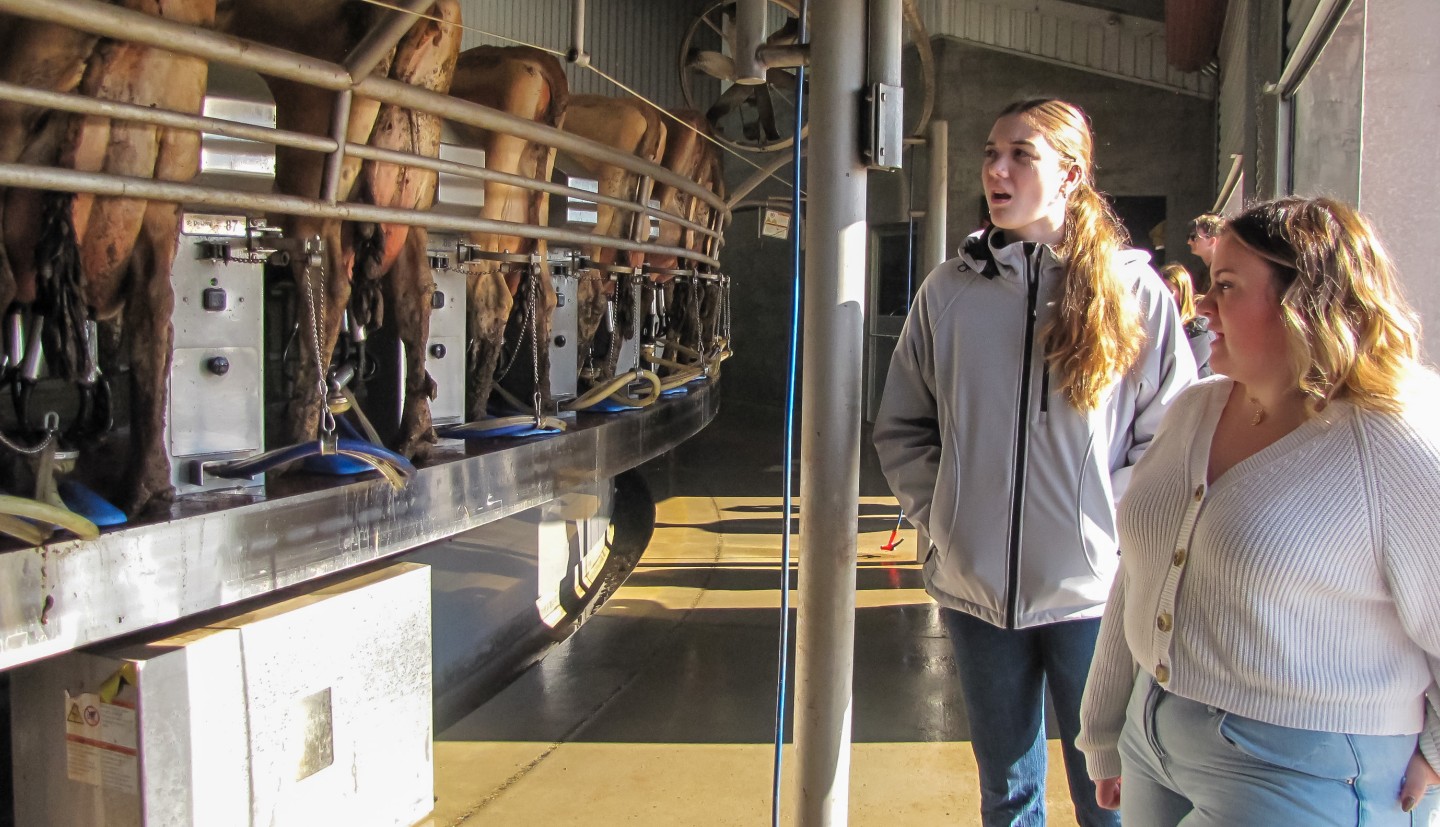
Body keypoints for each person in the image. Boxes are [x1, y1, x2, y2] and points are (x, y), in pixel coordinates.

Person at [874, 98, 1197, 827]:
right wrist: (947, 515)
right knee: (1008, 792)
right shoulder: (949, 292)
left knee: (1107, 793)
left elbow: (1169, 437)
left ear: (1072, 173)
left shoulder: (1134, 292)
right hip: (975, 592)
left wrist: (1103, 524)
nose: (996, 168)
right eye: (992, 152)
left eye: (1022, 153)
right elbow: (903, 424)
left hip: (1095, 597)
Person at [1077, 197, 1440, 826]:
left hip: (1303, 765)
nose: (1202, 307)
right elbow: (1140, 573)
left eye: (1225, 286)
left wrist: (1435, 750)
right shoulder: (1196, 408)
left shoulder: (1394, 439)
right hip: (1154, 737)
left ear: (1305, 304)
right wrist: (1107, 728)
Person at [1158, 263, 1211, 377]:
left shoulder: (1199, 327)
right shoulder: (1160, 322)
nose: (1165, 296)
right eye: (1161, 290)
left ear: (1182, 293)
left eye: (1169, 291)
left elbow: (1187, 368)